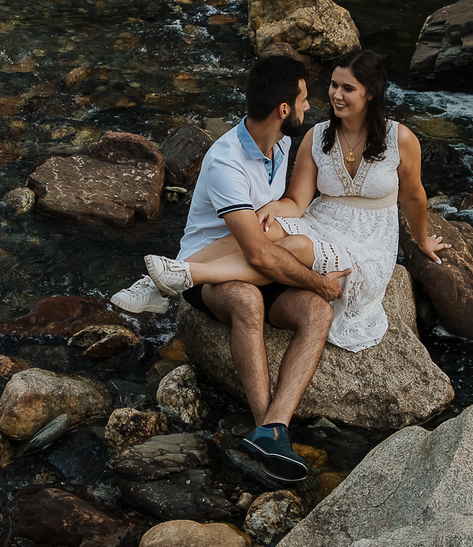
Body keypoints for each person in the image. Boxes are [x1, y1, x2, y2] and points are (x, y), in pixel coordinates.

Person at [110, 55, 348, 482]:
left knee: (317, 312)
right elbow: (256, 256)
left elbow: (282, 215)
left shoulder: (280, 144)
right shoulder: (227, 161)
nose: (309, 106)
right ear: (283, 110)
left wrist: (275, 215)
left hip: (255, 254)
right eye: (303, 99)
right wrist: (317, 281)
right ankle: (268, 431)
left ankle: (273, 426)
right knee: (247, 298)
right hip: (213, 262)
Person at [143, 48, 449, 356]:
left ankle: (186, 275)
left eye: (347, 88)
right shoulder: (316, 137)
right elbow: (297, 202)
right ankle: (163, 279)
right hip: (322, 221)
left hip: (368, 238)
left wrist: (421, 240)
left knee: (294, 247)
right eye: (333, 85)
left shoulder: (401, 139)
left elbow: (413, 196)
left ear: (370, 93)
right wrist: (273, 210)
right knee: (267, 231)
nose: (335, 95)